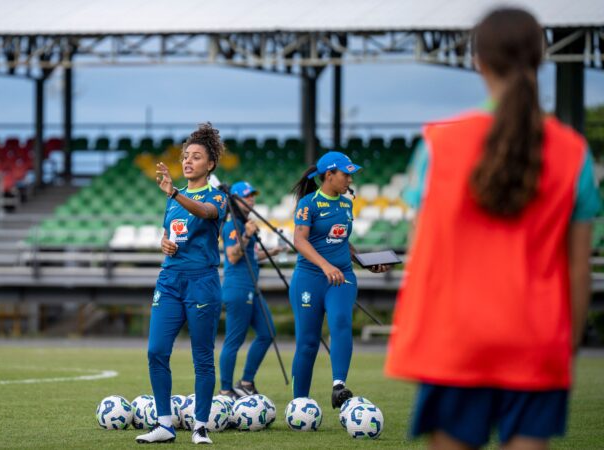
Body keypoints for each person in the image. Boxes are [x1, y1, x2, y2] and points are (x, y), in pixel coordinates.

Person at [385, 8, 601, 450]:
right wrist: (566, 349)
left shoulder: (438, 145)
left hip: (458, 337)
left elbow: (423, 252)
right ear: (539, 59)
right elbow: (579, 271)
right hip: (535, 336)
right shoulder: (573, 152)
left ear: (477, 60)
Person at [136, 123, 227, 445]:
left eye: (196, 157)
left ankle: (200, 426)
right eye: (186, 156)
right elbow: (170, 231)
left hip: (202, 281)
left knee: (202, 356)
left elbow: (204, 212)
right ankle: (164, 424)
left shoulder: (217, 196)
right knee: (156, 350)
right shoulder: (174, 199)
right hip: (170, 279)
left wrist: (174, 192)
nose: (188, 161)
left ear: (210, 164)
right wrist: (165, 242)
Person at [289, 151, 390, 408]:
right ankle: (300, 403)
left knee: (341, 322)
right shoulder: (308, 204)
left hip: (342, 276)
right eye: (346, 174)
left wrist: (365, 262)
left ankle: (338, 386)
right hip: (310, 278)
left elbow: (344, 242)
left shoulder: (346, 204)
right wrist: (324, 265)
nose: (350, 179)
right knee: (308, 342)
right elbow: (299, 240)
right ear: (329, 175)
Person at [218, 181, 284, 399]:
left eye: (252, 195)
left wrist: (271, 252)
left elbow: (251, 255)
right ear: (235, 200)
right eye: (247, 196)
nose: (252, 199)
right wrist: (246, 235)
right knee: (234, 340)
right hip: (238, 288)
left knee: (267, 332)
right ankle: (226, 390)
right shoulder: (232, 225)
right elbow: (233, 255)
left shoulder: (245, 223)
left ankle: (246, 382)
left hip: (251, 289)